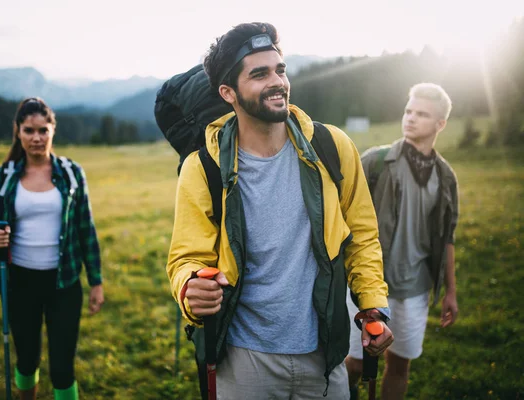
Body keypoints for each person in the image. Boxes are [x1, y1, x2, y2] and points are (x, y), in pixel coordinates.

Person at [166, 22, 394, 399]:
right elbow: (186, 257)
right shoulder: (203, 166)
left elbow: (363, 236)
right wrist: (190, 287)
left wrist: (371, 304)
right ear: (229, 92)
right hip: (243, 359)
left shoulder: (332, 147)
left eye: (280, 69)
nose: (277, 82)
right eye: (259, 74)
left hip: (324, 353)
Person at [0, 97, 104, 400]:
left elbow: (86, 228)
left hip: (64, 283)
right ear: (18, 132)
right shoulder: (6, 176)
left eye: (42, 130)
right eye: (29, 130)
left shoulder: (72, 173)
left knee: (62, 367)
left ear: (53, 131)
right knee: (26, 359)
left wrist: (96, 281)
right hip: (20, 282)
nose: (36, 137)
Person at [345, 83, 459, 399]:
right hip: (368, 287)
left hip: (415, 290)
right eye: (408, 111)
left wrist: (450, 291)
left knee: (399, 368)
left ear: (440, 124)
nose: (410, 118)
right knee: (354, 364)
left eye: (421, 114)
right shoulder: (374, 162)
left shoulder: (446, 176)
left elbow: (447, 237)